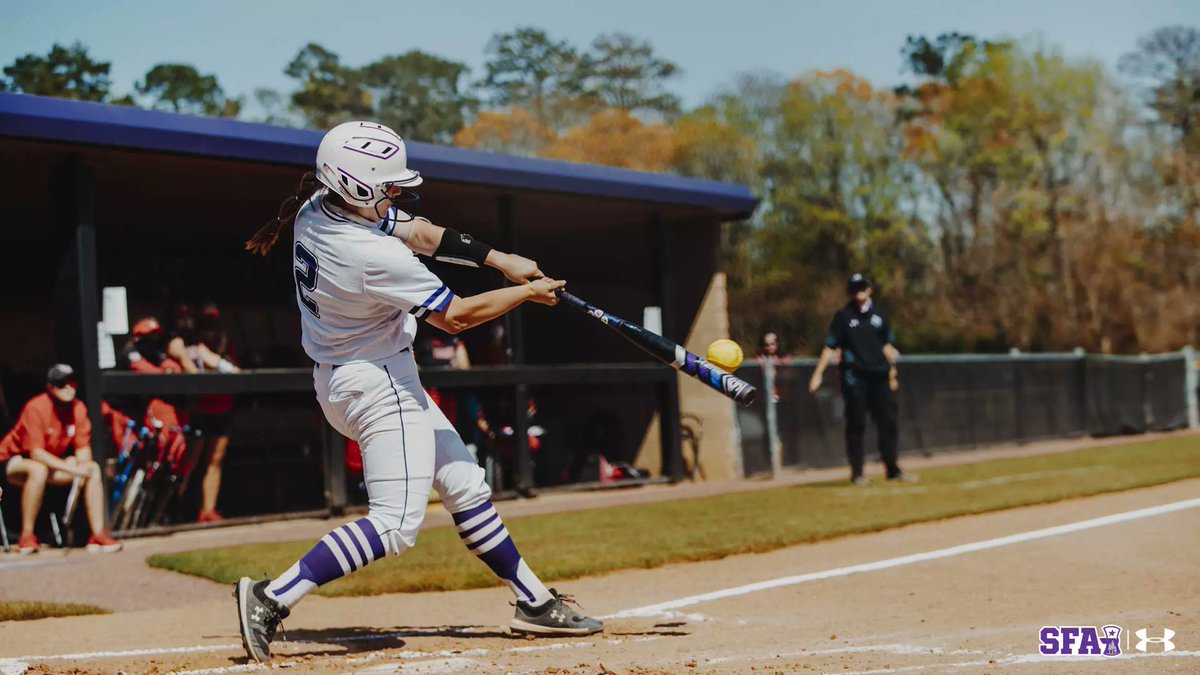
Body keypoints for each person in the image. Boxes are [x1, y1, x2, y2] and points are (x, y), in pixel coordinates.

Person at [237, 121, 601, 664]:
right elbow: (455, 317)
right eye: (387, 184)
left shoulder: (320, 204)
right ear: (356, 184)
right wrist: (523, 293)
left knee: (464, 483)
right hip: (375, 384)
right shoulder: (367, 254)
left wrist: (500, 260)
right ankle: (271, 598)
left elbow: (423, 232)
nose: (397, 192)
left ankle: (535, 601)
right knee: (393, 525)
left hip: (355, 375)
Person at [0, 364, 123, 554]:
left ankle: (98, 535)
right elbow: (36, 453)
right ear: (50, 387)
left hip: (49, 463)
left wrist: (80, 466)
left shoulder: (78, 408)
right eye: (61, 384)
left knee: (92, 468)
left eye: (71, 383)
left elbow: (83, 449)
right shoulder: (36, 407)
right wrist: (73, 470)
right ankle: (27, 536)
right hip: (13, 460)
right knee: (38, 470)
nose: (68, 388)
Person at [809, 274, 915, 485]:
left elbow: (887, 345)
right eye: (854, 288)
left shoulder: (880, 314)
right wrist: (817, 374)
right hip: (856, 378)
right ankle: (857, 472)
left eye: (862, 287)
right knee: (856, 424)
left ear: (869, 289)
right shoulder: (843, 316)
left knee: (888, 422)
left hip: (880, 376)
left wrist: (893, 372)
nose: (859, 291)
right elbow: (830, 346)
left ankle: (892, 469)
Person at [189, 303, 240, 523]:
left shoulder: (224, 342)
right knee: (191, 459)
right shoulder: (191, 344)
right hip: (199, 408)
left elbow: (235, 369)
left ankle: (207, 510)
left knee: (215, 459)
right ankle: (179, 509)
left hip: (222, 405)